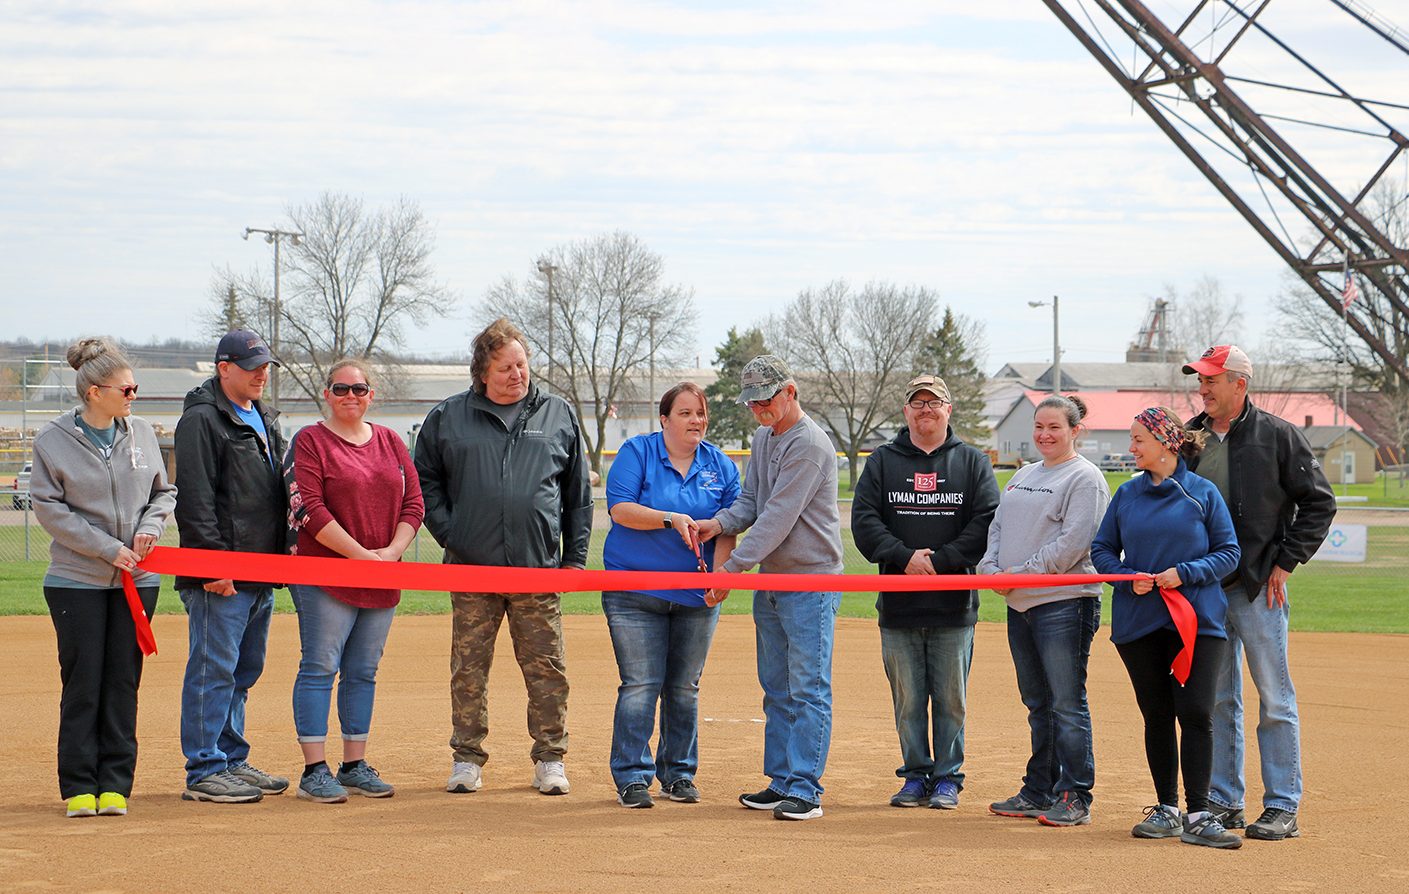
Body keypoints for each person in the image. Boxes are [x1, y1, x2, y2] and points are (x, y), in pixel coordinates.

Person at [415, 317, 592, 797]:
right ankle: (467, 758)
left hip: (538, 569)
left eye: (522, 364)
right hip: (473, 569)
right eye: (505, 368)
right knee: (469, 669)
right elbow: (423, 483)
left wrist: (574, 561)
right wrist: (454, 533)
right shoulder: (448, 417)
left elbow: (577, 495)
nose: (517, 374)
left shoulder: (557, 414)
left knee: (547, 670)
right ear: (482, 373)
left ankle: (550, 759)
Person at [1182, 344, 1334, 841]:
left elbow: (1318, 503)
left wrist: (1286, 562)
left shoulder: (1277, 435)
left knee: (1274, 698)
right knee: (1219, 699)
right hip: (1206, 588)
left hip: (1258, 587)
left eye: (1210, 380)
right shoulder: (1190, 437)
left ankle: (1282, 805)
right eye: (1199, 380)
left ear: (1238, 383)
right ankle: (1225, 802)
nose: (1201, 388)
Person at [31, 338, 177, 818]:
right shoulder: (53, 439)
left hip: (138, 580)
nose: (133, 395)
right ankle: (78, 786)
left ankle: (115, 785)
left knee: (122, 682)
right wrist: (107, 548)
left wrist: (150, 528)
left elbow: (164, 491)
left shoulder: (140, 434)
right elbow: (49, 509)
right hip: (77, 581)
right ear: (95, 392)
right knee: (83, 682)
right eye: (127, 388)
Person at [696, 355, 844, 822]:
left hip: (810, 582)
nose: (758, 409)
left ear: (790, 392)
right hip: (774, 582)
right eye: (752, 402)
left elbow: (778, 517)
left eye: (766, 399)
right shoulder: (764, 438)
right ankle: (781, 780)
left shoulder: (811, 445)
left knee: (807, 688)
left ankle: (806, 788)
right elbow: (751, 502)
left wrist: (730, 569)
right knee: (776, 688)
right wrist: (715, 524)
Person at [1091, 406, 1243, 849]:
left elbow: (1228, 553)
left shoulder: (1202, 494)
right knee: (1156, 714)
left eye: (1139, 439)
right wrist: (1127, 574)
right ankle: (1167, 808)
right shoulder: (1127, 494)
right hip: (1139, 622)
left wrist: (1186, 572)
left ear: (1167, 443)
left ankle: (1200, 813)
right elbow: (1101, 550)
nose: (1131, 447)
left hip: (1197, 620)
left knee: (1196, 713)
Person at [852, 374, 999, 812]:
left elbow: (986, 521)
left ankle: (948, 777)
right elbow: (865, 520)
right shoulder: (882, 460)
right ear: (906, 412)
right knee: (909, 701)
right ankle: (915, 776)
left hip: (953, 605)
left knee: (951, 700)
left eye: (934, 403)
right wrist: (904, 556)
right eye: (917, 403)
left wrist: (941, 560)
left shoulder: (971, 461)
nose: (925, 410)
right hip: (899, 603)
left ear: (948, 410)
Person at [285, 360, 424, 803]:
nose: (351, 396)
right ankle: (313, 769)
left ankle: (353, 764)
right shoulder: (310, 440)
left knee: (363, 670)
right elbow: (309, 508)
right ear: (326, 394)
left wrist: (392, 552)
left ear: (371, 394)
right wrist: (361, 556)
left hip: (381, 571)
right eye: (341, 389)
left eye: (359, 389)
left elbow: (414, 502)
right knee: (321, 665)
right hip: (326, 572)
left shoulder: (388, 440)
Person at [602, 382, 740, 808]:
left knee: (684, 688)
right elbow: (619, 507)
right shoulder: (637, 452)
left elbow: (730, 523)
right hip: (634, 590)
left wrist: (720, 577)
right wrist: (668, 517)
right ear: (664, 419)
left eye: (700, 413)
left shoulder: (721, 464)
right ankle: (632, 776)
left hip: (695, 596)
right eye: (685, 413)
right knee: (641, 684)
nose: (695, 420)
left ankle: (678, 774)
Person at [978, 394, 1109, 826]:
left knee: (1066, 703)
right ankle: (1039, 789)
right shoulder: (1025, 474)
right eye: (1039, 426)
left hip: (1064, 604)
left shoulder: (1084, 478)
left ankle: (1075, 795)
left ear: (1075, 431)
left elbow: (1074, 542)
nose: (1044, 435)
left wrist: (1021, 573)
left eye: (1055, 427)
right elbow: (998, 526)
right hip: (1021, 603)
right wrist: (991, 569)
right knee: (1038, 702)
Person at [174, 329, 290, 803]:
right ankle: (204, 768)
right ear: (224, 369)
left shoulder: (261, 414)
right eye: (251, 366)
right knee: (212, 669)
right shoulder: (202, 420)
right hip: (221, 574)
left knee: (244, 669)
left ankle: (231, 758)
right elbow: (196, 500)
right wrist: (211, 565)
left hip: (260, 568)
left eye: (265, 365)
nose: (262, 373)